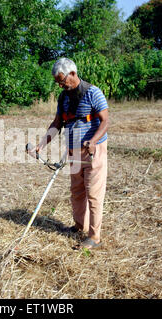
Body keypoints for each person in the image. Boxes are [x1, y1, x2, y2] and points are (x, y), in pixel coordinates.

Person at [30, 57, 109, 250]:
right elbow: (57, 124)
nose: (60, 85)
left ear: (73, 74)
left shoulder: (93, 92)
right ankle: (79, 226)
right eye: (57, 82)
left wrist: (93, 141)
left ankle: (94, 236)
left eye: (62, 80)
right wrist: (41, 145)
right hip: (73, 152)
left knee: (93, 194)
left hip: (92, 152)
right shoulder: (63, 98)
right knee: (77, 192)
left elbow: (105, 121)